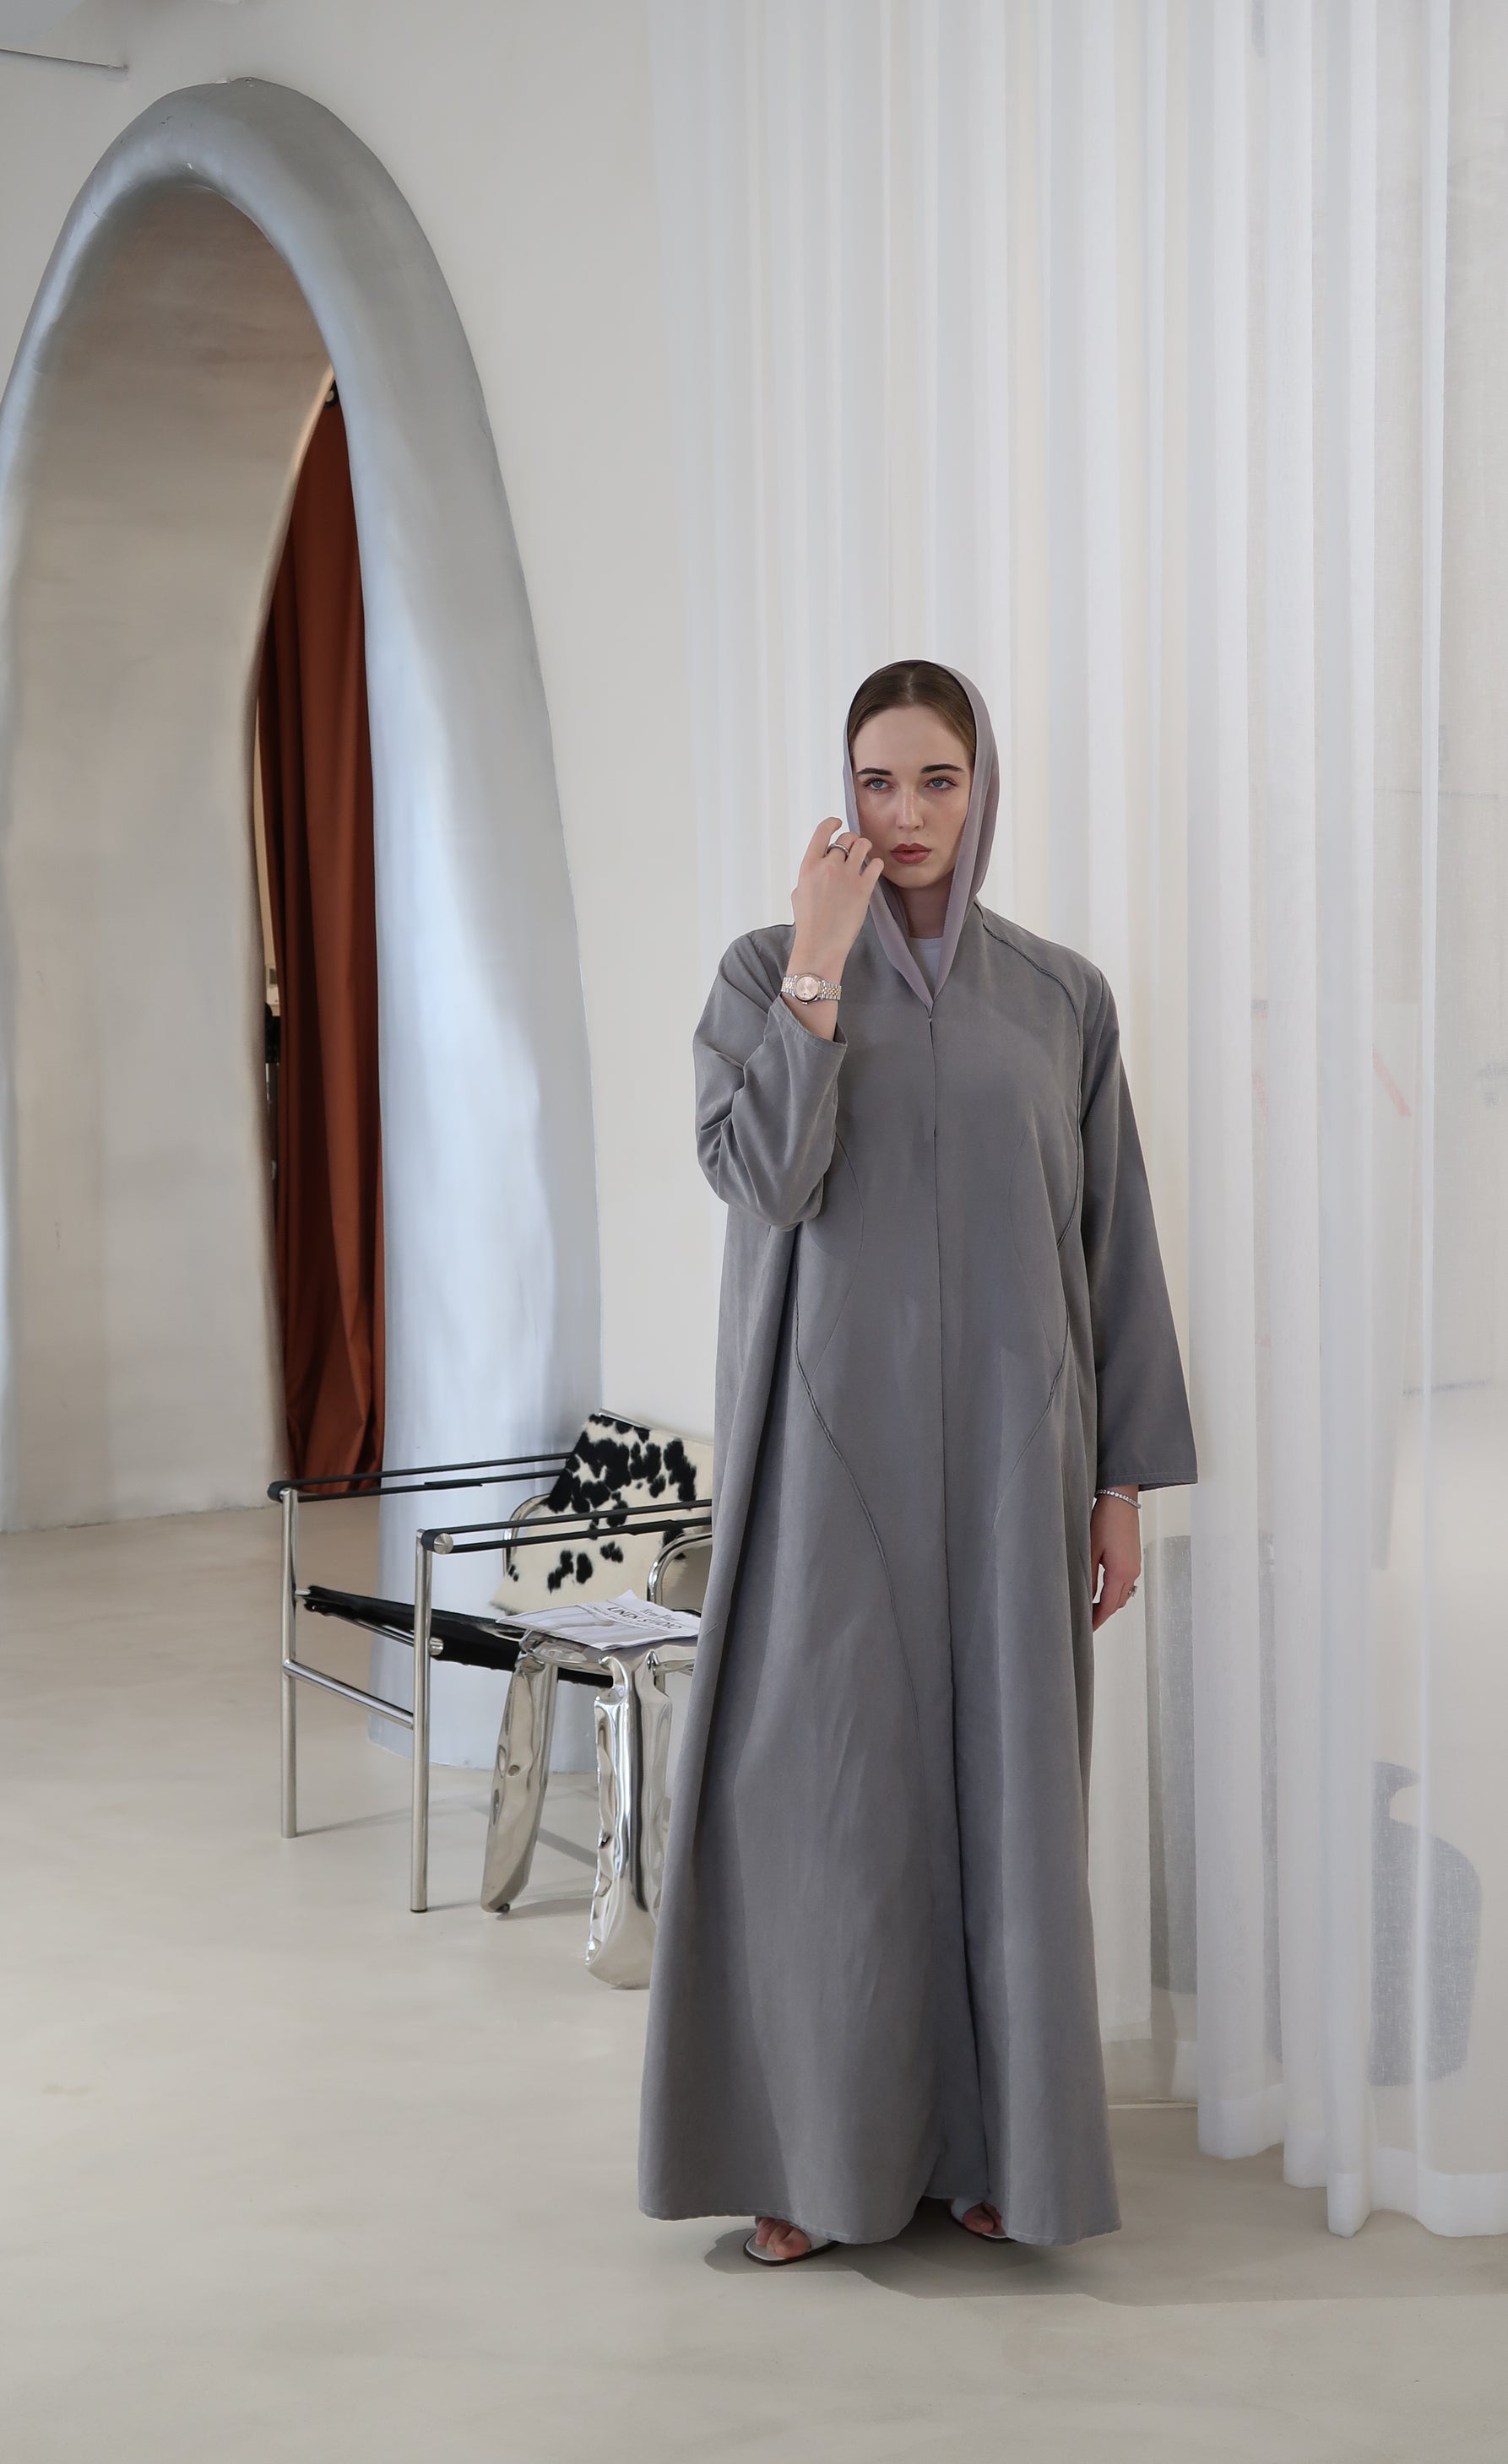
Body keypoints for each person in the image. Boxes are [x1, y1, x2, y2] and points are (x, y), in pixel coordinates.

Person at [638, 660, 1196, 2262]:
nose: (904, 815)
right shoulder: (762, 971)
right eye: (876, 783)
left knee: (1007, 1806)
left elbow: (1110, 1243)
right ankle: (813, 2159)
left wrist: (1117, 1483)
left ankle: (998, 2151)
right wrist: (817, 968)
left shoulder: (1059, 995)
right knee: (827, 1797)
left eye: (935, 780)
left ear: (980, 785)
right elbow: (762, 1180)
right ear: (842, 792)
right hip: (830, 1456)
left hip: (1020, 1458)